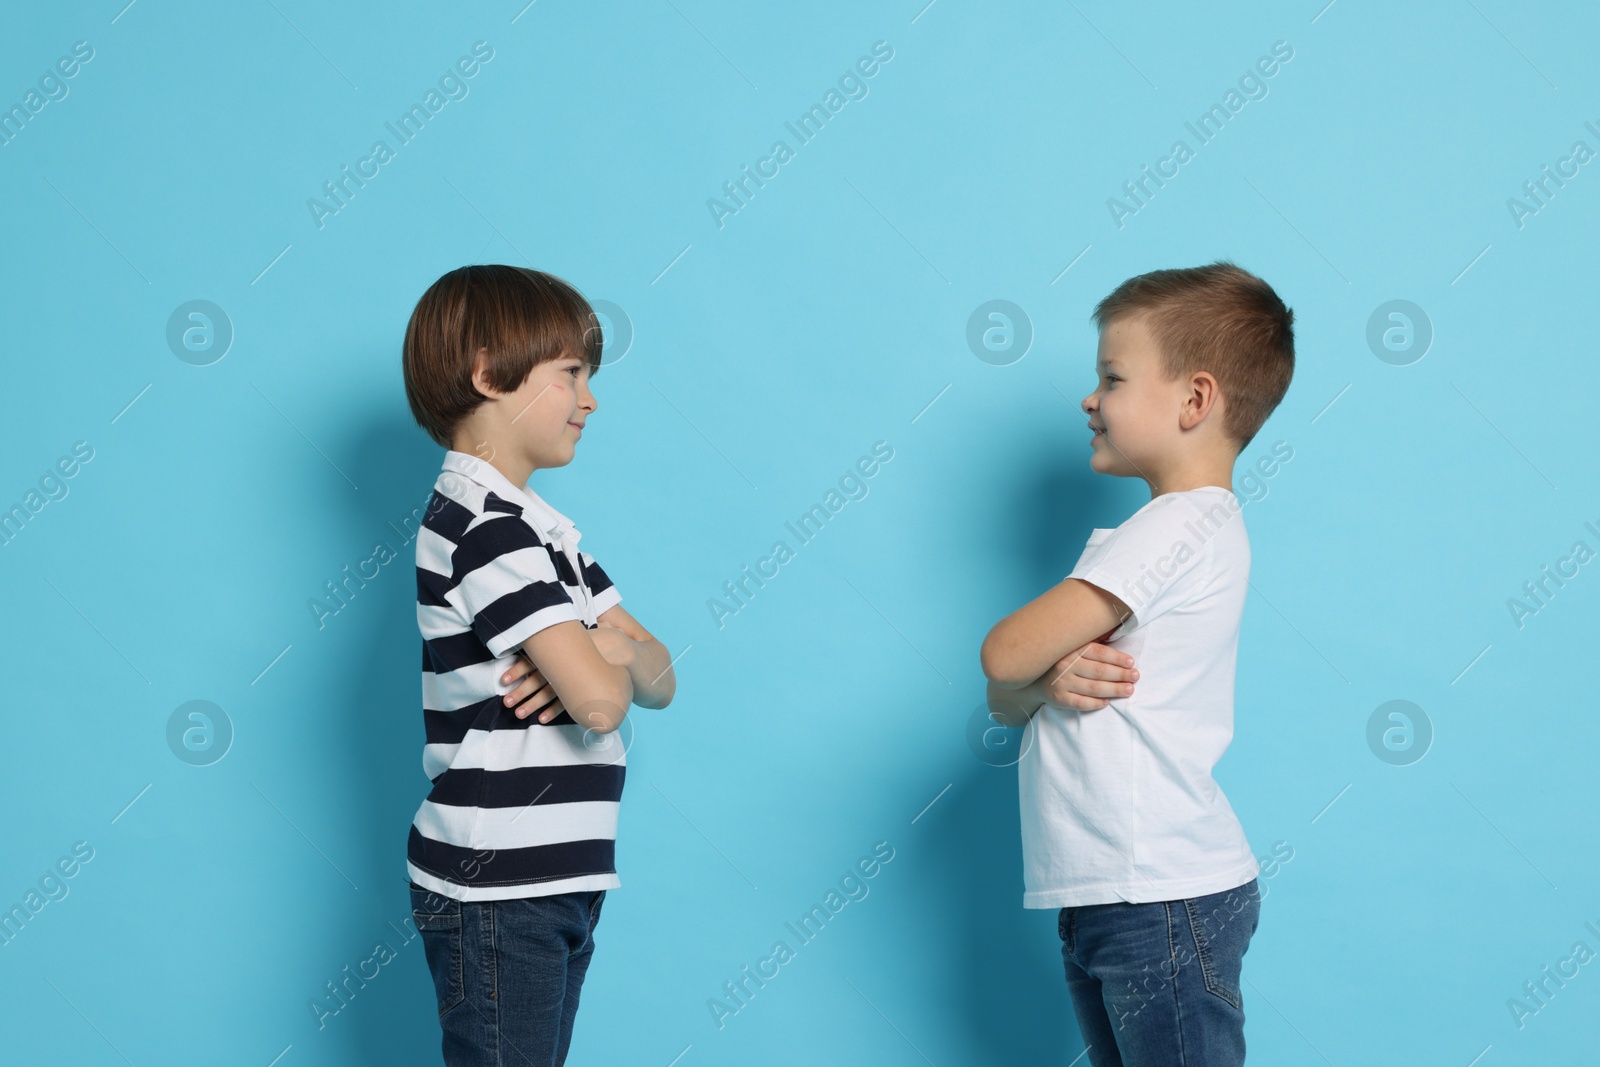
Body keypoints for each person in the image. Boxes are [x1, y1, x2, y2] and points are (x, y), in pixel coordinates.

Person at [982, 261, 1295, 1066]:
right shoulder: (1170, 532)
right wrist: (1044, 683)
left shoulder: (1177, 526)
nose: (1090, 399)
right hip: (1121, 892)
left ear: (1195, 400)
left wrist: (1025, 673)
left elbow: (1001, 653)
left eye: (1112, 377)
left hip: (1157, 891)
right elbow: (1008, 692)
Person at [400, 264, 677, 1066]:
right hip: (499, 883)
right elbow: (601, 705)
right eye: (572, 374)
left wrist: (603, 649)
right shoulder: (483, 526)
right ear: (489, 373)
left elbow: (658, 677)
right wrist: (600, 660)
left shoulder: (545, 533)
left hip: (553, 875)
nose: (590, 399)